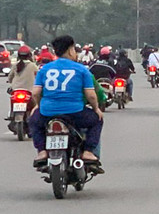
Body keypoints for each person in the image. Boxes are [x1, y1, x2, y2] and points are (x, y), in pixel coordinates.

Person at [29, 35, 103, 169]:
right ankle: (88, 152)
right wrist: (96, 109)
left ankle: (41, 151)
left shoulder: (44, 69)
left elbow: (35, 93)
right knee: (97, 120)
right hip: (75, 113)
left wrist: (39, 106)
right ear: (70, 50)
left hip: (48, 113)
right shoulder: (81, 70)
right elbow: (91, 95)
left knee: (34, 121)